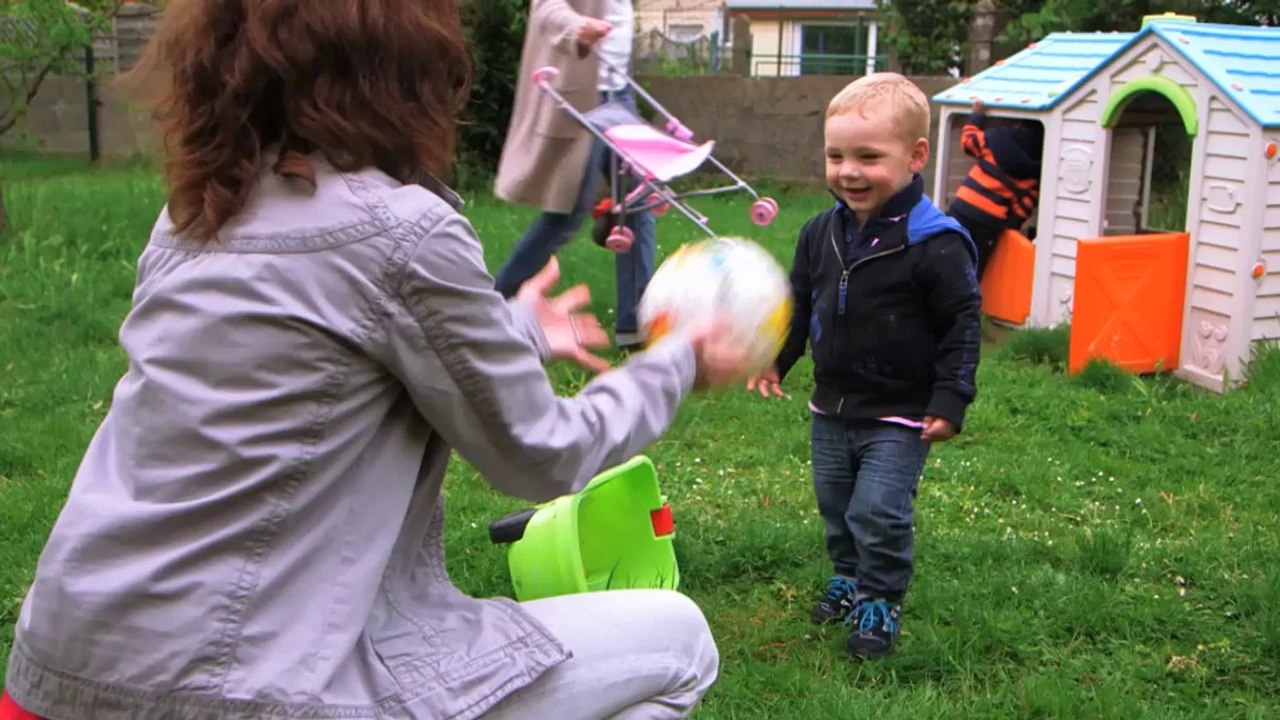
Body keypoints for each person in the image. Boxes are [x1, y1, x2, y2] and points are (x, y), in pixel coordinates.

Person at [1, 2, 752, 719]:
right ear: (407, 65)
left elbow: (313, 351)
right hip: (244, 689)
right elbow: (544, 456)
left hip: (66, 666)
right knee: (679, 641)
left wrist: (511, 332)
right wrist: (676, 360)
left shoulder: (197, 214)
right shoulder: (400, 230)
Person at [745, 73, 982, 661]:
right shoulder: (818, 233)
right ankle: (847, 576)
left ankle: (880, 597)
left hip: (901, 411)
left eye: (868, 157)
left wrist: (950, 398)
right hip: (832, 406)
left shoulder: (937, 243)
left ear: (916, 155)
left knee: (877, 509)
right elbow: (800, 303)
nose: (849, 171)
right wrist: (778, 357)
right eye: (836, 155)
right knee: (836, 503)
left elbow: (962, 325)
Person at [493, 0, 655, 351]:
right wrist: (577, 27)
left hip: (618, 90)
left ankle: (635, 325)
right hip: (583, 94)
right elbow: (546, 7)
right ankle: (493, 304)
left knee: (639, 198)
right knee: (567, 214)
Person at [947, 98, 1044, 280]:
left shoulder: (995, 140)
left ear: (1017, 126)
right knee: (974, 266)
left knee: (944, 252)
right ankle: (965, 303)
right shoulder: (1032, 177)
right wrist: (1004, 227)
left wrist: (977, 115)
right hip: (989, 223)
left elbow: (968, 141)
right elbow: (1020, 212)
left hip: (963, 207)